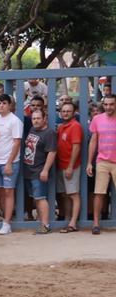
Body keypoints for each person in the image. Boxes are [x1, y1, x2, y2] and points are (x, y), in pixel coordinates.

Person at [0, 94, 23, 235]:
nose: (1, 105)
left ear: (10, 105)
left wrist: (9, 163)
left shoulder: (15, 121)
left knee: (9, 192)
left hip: (9, 162)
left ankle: (7, 223)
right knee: (0, 192)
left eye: (4, 103)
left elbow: (17, 142)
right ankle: (5, 218)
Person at [22, 110, 57, 234]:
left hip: (39, 171)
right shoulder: (32, 130)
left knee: (41, 198)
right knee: (36, 198)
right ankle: (41, 222)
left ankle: (45, 224)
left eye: (38, 118)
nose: (35, 120)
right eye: (34, 118)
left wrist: (45, 170)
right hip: (29, 171)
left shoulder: (49, 133)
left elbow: (52, 152)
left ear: (44, 119)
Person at [87, 94, 116, 235]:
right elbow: (93, 141)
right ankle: (96, 223)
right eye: (106, 104)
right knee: (99, 193)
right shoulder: (97, 119)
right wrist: (89, 163)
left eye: (111, 104)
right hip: (102, 161)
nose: (108, 107)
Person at [55, 100, 83, 233]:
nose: (65, 113)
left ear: (74, 113)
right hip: (61, 165)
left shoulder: (75, 126)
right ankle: (68, 219)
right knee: (65, 194)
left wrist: (71, 166)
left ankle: (73, 223)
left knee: (74, 194)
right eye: (63, 111)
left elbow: (76, 147)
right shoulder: (61, 127)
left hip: (70, 166)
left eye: (68, 111)